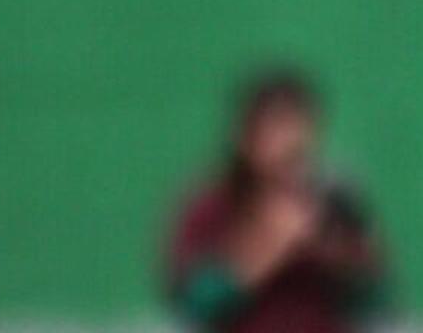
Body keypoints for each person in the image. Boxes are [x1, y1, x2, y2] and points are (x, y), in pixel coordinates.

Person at [159, 67, 387, 333]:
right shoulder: (213, 206)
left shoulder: (333, 199)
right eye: (277, 128)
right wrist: (268, 244)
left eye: (299, 127)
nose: (291, 142)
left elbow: (374, 295)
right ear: (248, 137)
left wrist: (336, 250)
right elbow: (193, 306)